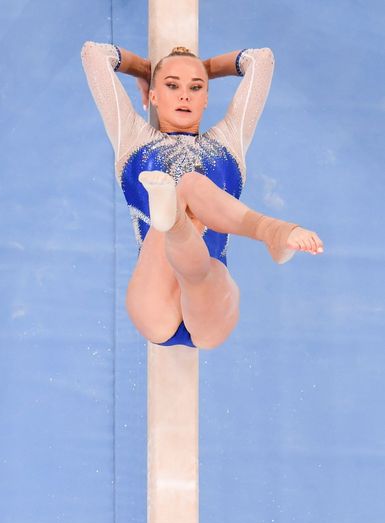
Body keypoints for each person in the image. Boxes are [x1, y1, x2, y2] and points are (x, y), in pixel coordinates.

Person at [80, 41, 324, 349]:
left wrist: (201, 69)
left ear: (206, 98)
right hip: (154, 298)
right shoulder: (132, 138)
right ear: (153, 96)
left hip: (209, 301)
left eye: (196, 88)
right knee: (187, 190)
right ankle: (257, 229)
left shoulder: (228, 142)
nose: (184, 94)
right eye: (171, 85)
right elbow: (93, 53)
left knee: (190, 191)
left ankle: (177, 220)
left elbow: (261, 60)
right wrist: (146, 71)